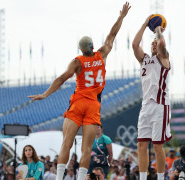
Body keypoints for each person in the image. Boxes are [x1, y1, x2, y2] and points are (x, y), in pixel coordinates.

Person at [28, 2, 130, 180]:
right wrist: (121, 17)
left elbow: (61, 79)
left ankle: (60, 178)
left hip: (78, 102)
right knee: (86, 148)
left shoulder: (77, 62)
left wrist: (45, 94)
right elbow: (112, 35)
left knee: (66, 143)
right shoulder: (102, 54)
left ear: (81, 49)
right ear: (92, 46)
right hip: (93, 104)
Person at [132, 15, 171, 180]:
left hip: (160, 106)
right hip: (146, 106)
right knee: (141, 145)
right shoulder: (145, 60)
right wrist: (144, 23)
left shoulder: (164, 59)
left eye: (155, 42)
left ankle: (161, 178)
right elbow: (134, 44)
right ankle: (142, 177)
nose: (154, 44)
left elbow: (162, 46)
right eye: (152, 43)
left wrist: (158, 31)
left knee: (157, 146)